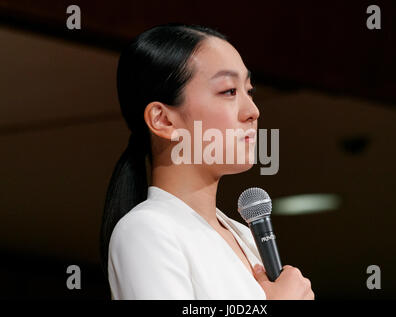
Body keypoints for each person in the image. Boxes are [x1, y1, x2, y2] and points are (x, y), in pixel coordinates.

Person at [99, 22, 314, 300]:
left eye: (249, 91)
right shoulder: (146, 231)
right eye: (228, 91)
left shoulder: (244, 235)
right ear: (163, 119)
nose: (253, 111)